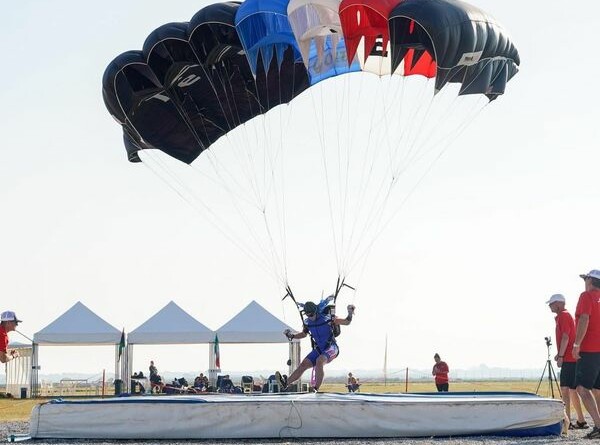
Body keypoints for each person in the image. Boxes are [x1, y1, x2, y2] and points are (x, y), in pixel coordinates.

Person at [278, 301, 355, 392]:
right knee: (303, 364)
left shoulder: (328, 318)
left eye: (312, 314)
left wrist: (350, 313)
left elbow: (346, 322)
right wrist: (292, 336)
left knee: (320, 361)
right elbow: (303, 334)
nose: (311, 317)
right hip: (320, 349)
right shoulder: (307, 322)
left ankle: (315, 388)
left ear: (316, 311)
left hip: (332, 348)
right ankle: (285, 383)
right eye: (308, 315)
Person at [546, 293, 588, 430]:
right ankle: (581, 421)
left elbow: (565, 337)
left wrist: (561, 356)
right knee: (572, 390)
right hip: (571, 358)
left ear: (558, 303)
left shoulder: (563, 316)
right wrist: (560, 354)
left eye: (551, 304)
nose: (550, 307)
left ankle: (566, 422)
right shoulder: (563, 316)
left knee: (565, 390)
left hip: (569, 359)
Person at [573, 270, 600, 439]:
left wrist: (576, 344)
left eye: (585, 279)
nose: (584, 282)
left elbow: (584, 318)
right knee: (597, 390)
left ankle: (598, 426)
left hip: (589, 348)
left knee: (582, 388)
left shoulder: (587, 296)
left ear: (590, 280)